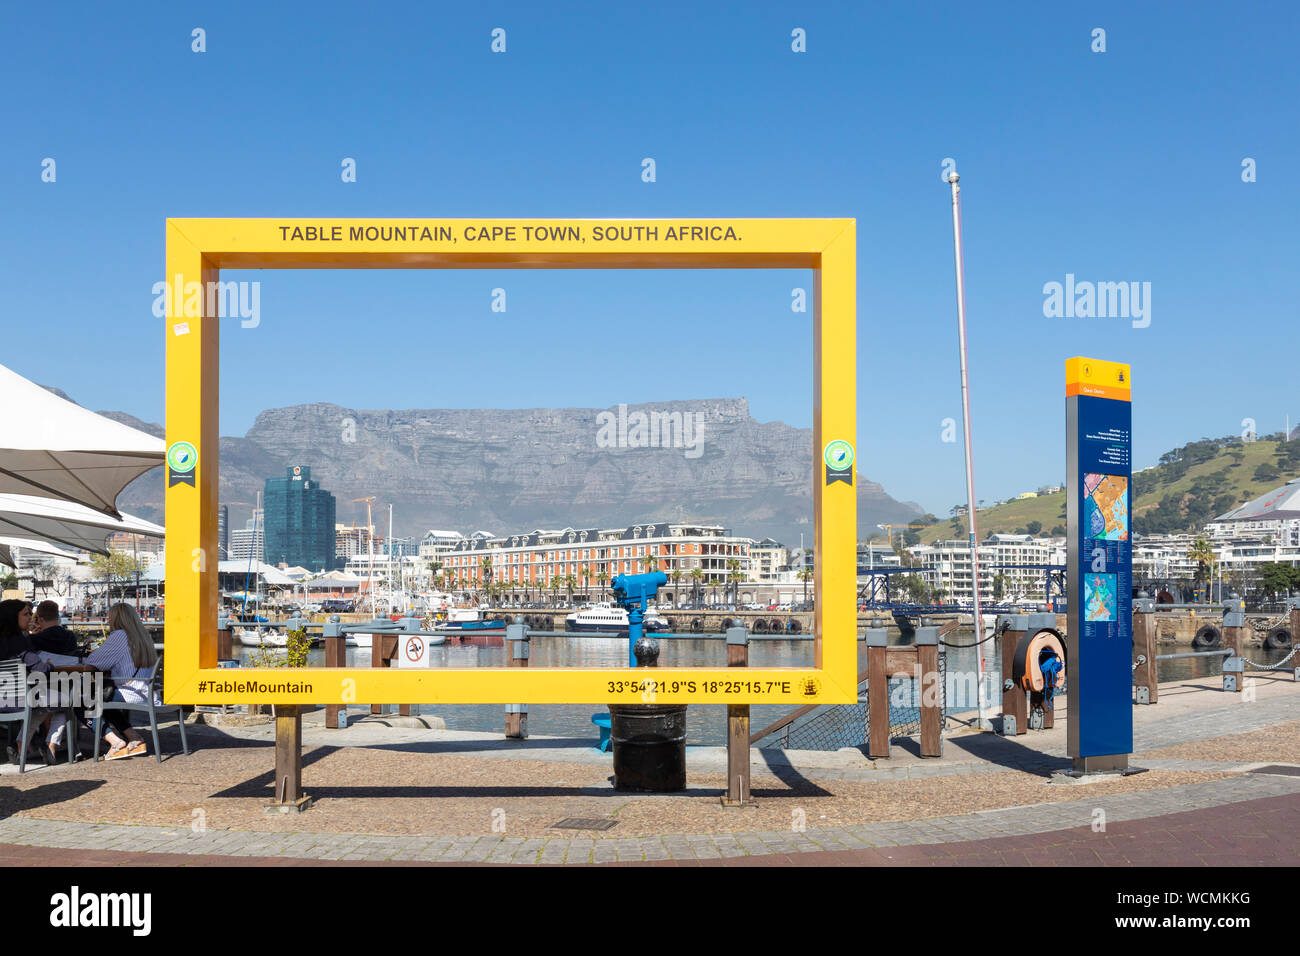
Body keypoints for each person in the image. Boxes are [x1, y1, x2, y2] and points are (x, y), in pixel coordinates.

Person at [82, 603, 158, 759]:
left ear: (116, 619)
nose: (108, 620)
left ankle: (115, 742)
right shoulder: (144, 636)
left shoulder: (119, 636)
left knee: (80, 700)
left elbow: (91, 662)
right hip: (147, 693)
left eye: (110, 617)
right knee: (105, 701)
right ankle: (134, 738)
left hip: (128, 691)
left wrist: (95, 648)